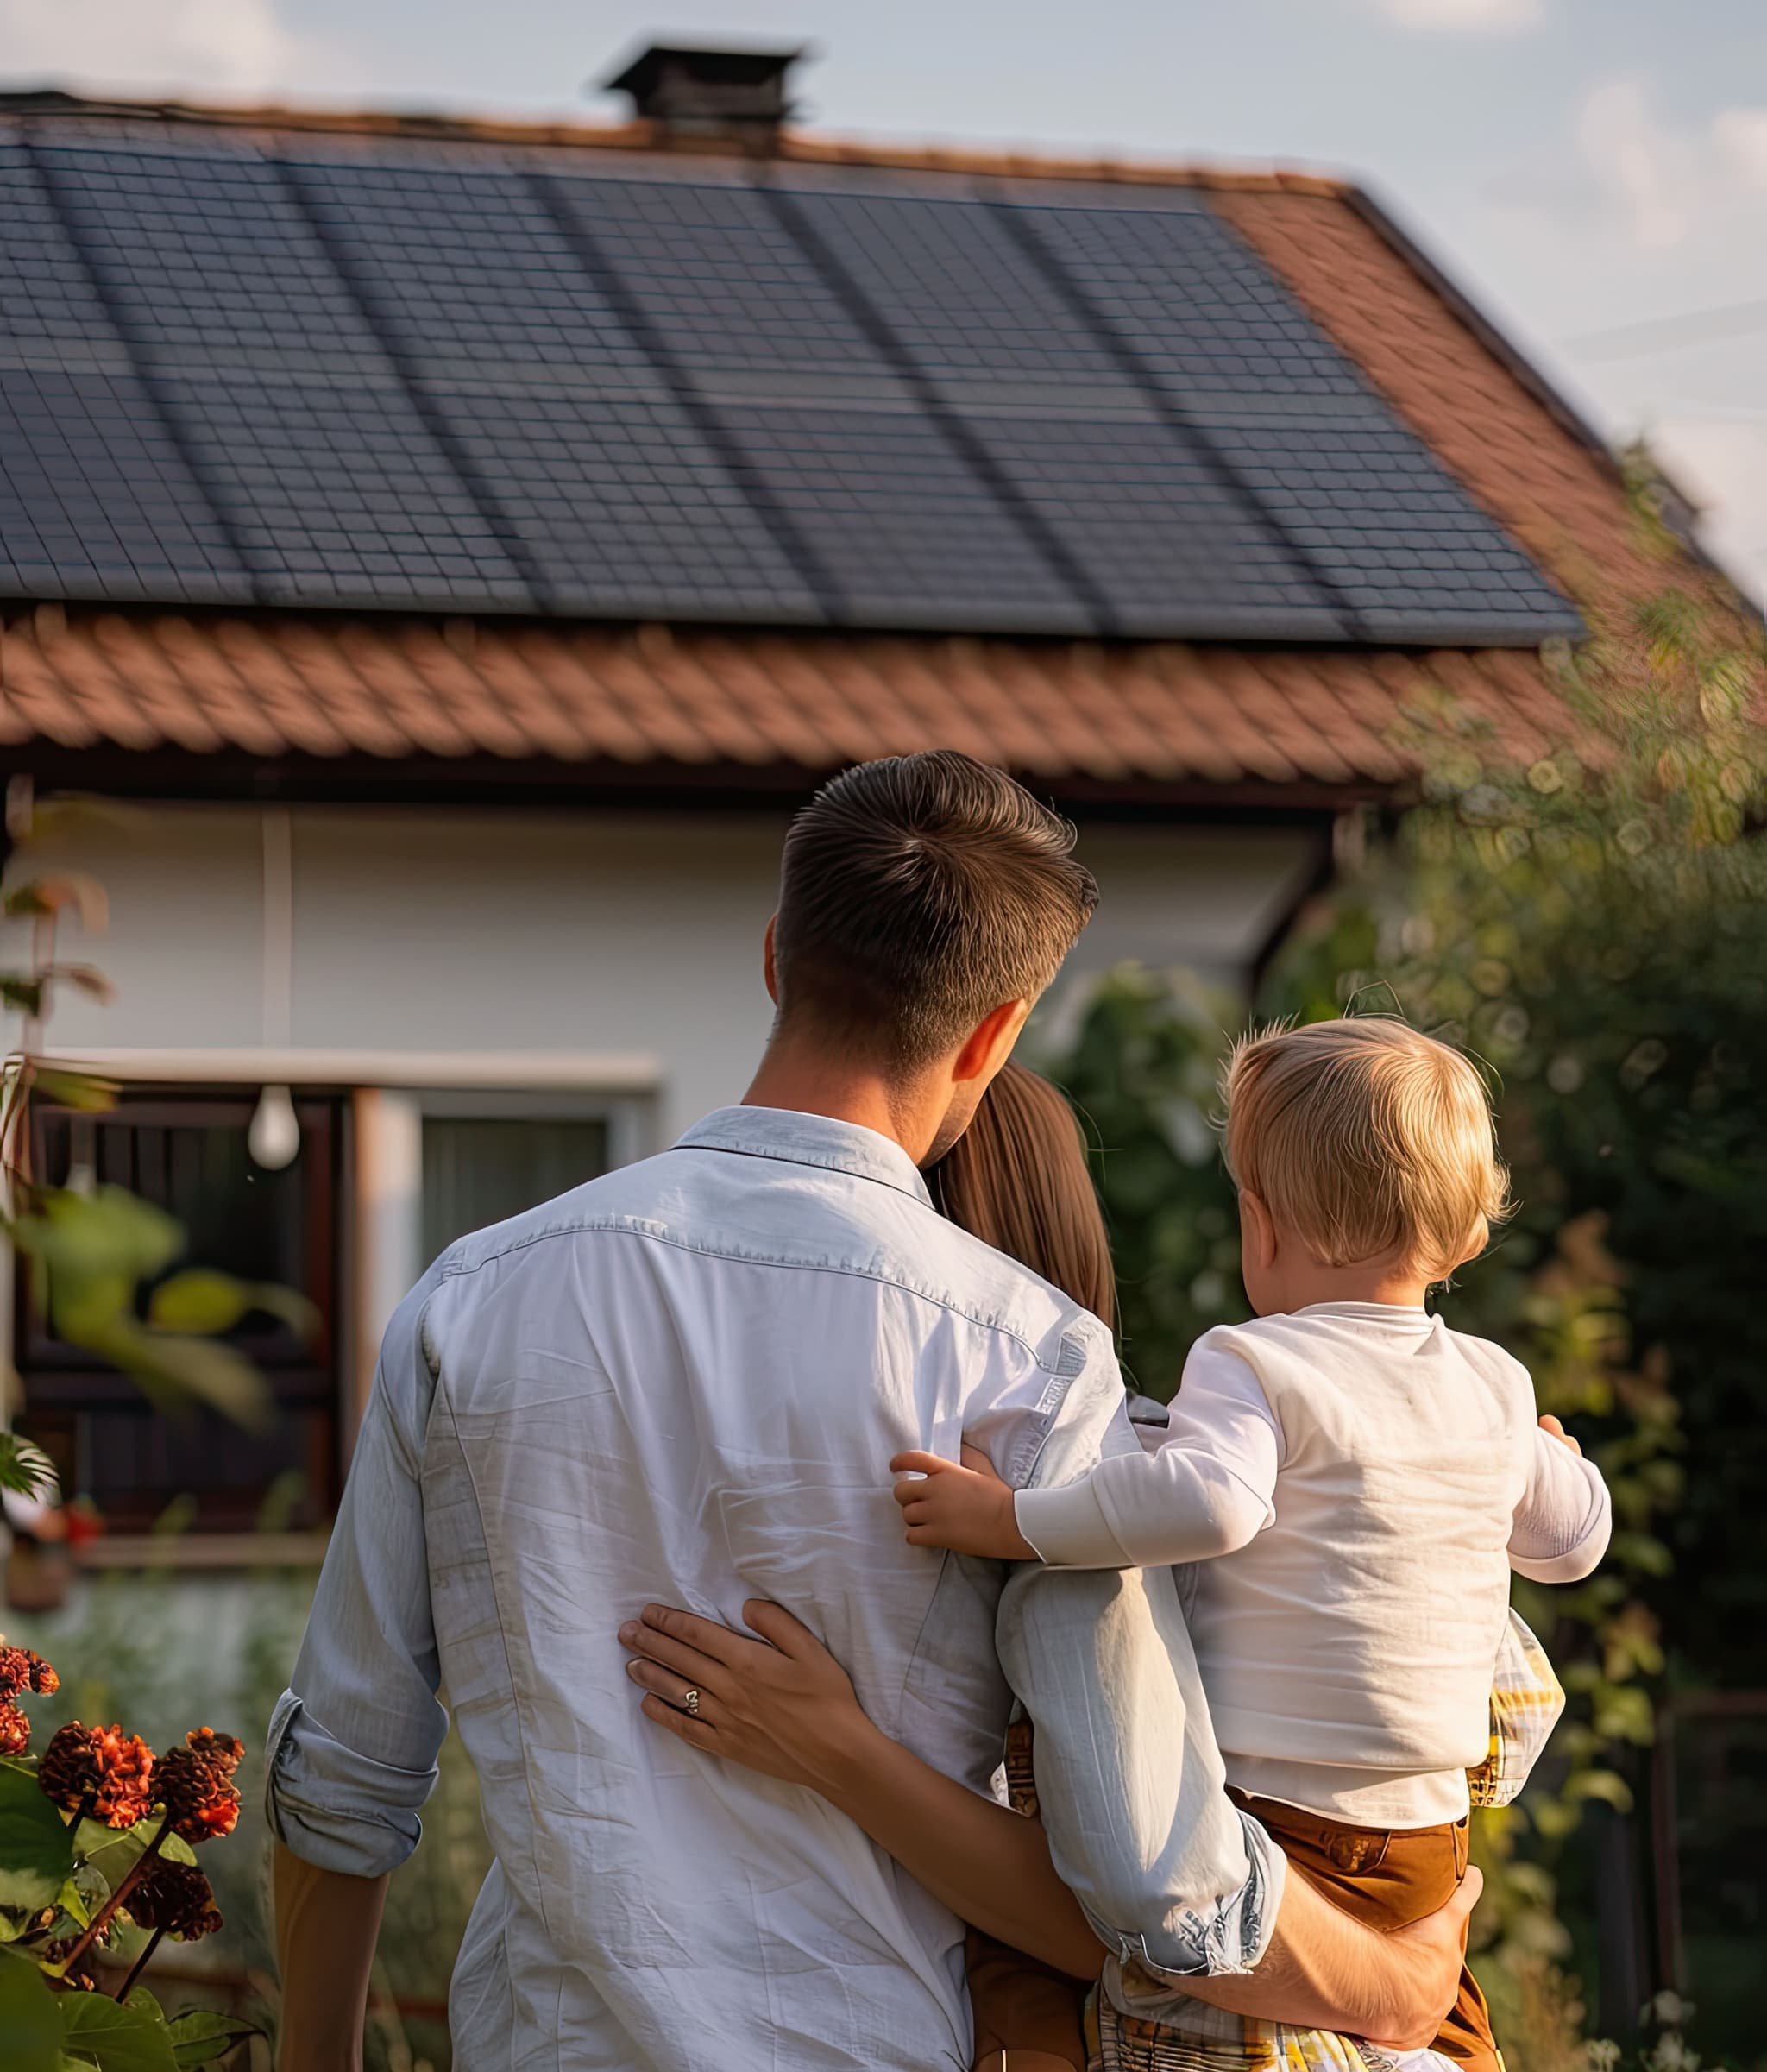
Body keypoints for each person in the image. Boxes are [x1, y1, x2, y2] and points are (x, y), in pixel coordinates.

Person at [269, 754, 1475, 2072]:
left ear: (778, 957)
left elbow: (339, 1775)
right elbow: (1149, 1868)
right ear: (996, 1034)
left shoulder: (471, 1297)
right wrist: (1391, 1982)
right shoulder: (1027, 1357)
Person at [888, 1017, 1612, 2069]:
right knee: (1432, 2021)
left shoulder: (1251, 1359)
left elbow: (1213, 1503)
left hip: (1273, 1826)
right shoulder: (1493, 1386)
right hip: (1423, 1841)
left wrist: (1010, 1519)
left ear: (1257, 1225)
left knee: (1162, 2014)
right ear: (1463, 1239)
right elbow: (1571, 1543)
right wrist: (1553, 1457)